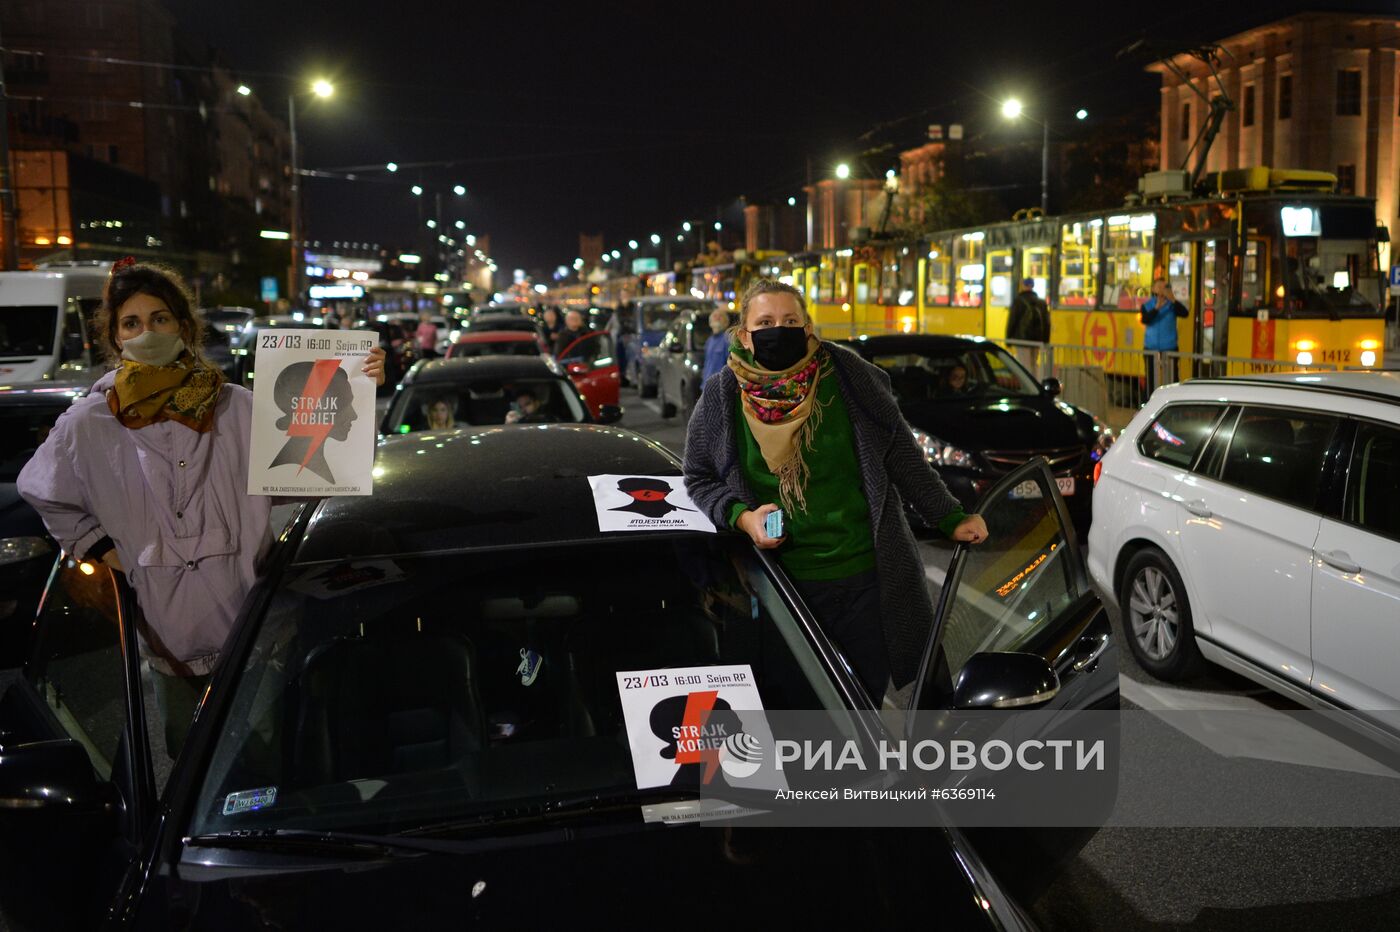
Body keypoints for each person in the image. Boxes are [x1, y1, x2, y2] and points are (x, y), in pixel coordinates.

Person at [16, 260, 385, 759]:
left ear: (185, 327)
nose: (147, 332)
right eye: (132, 323)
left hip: (256, 635)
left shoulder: (238, 407)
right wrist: (104, 549)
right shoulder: (88, 423)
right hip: (168, 641)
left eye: (160, 318)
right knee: (189, 763)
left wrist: (359, 388)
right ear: (114, 336)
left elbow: (322, 467)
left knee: (261, 768)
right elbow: (41, 489)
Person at [683, 279, 988, 702]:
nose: (779, 329)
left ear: (808, 327)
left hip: (864, 582)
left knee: (860, 706)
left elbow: (900, 452)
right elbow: (698, 476)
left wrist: (949, 516)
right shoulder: (721, 395)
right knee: (797, 709)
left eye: (790, 320)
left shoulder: (848, 375)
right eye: (766, 321)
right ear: (744, 335)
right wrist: (742, 516)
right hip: (779, 587)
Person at [1140, 277, 1188, 396]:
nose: (1162, 290)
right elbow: (1145, 319)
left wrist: (1173, 300)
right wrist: (1157, 308)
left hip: (1170, 347)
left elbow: (1185, 313)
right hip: (1151, 348)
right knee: (1151, 378)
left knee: (1172, 378)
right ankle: (1149, 402)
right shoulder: (1147, 305)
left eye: (1165, 287)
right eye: (1159, 287)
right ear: (1153, 289)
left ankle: (1172, 400)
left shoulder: (1172, 305)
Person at [701, 308, 730, 386]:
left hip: (719, 386)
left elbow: (730, 365)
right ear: (710, 321)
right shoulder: (709, 341)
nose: (717, 318)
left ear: (725, 322)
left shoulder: (727, 340)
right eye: (715, 316)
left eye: (720, 316)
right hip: (706, 384)